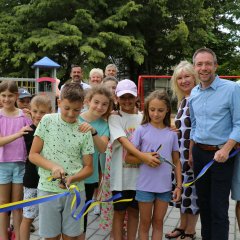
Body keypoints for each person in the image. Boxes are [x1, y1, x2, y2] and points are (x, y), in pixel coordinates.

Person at [29, 82, 94, 240]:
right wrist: (53, 166)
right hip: (47, 190)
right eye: (67, 108)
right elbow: (33, 154)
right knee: (51, 236)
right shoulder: (47, 121)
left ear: (82, 107)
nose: (71, 114)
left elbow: (89, 168)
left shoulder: (84, 130)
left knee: (70, 236)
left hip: (74, 192)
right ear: (59, 103)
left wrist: (72, 178)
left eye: (76, 110)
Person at [189, 47, 240, 240]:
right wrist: (192, 153)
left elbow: (239, 123)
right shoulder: (194, 92)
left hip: (221, 156)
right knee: (204, 204)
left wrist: (226, 149)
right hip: (200, 155)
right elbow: (194, 125)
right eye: (199, 64)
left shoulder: (231, 89)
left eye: (208, 63)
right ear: (195, 67)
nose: (204, 68)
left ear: (215, 66)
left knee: (218, 207)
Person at [125, 90, 182, 240]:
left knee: (158, 222)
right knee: (144, 223)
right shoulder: (141, 130)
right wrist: (145, 158)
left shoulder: (171, 133)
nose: (156, 114)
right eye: (152, 110)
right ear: (147, 110)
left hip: (164, 187)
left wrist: (179, 186)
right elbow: (128, 158)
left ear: (168, 110)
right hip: (145, 186)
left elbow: (176, 161)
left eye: (160, 110)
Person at [109, 79, 160, 240]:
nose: (127, 101)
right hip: (120, 179)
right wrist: (143, 157)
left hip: (140, 179)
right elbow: (123, 141)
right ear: (116, 98)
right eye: (122, 97)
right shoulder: (114, 118)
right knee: (118, 213)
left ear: (137, 97)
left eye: (130, 97)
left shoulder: (143, 119)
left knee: (134, 213)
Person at [165, 61, 199, 240]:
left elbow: (198, 128)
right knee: (183, 190)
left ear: (195, 77)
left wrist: (192, 153)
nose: (184, 80)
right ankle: (182, 226)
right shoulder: (183, 100)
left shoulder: (198, 97)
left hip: (192, 154)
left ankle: (190, 231)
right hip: (181, 155)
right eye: (180, 78)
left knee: (192, 193)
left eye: (187, 76)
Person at [78, 85, 113, 239]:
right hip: (69, 174)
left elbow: (103, 147)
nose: (100, 107)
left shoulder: (104, 125)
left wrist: (93, 131)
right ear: (88, 101)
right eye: (96, 102)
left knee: (82, 216)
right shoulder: (74, 117)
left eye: (104, 104)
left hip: (89, 177)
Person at [0, 81, 32, 240]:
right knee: (4, 204)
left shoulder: (23, 116)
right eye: (3, 95)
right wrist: (18, 134)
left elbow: (35, 133)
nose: (6, 99)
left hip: (20, 164)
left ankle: (19, 236)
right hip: (3, 165)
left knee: (17, 204)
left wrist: (34, 116)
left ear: (16, 96)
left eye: (10, 95)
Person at [20, 95, 52, 240]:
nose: (38, 115)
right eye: (35, 111)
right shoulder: (27, 131)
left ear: (50, 111)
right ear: (30, 111)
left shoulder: (53, 131)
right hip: (32, 180)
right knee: (28, 217)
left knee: (48, 219)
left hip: (50, 181)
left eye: (42, 112)